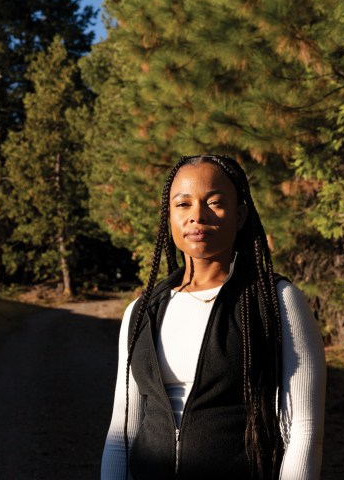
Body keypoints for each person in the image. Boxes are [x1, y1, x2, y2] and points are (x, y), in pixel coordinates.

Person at [100, 155, 326, 480]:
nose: (197, 216)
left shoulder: (275, 302)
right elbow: (122, 431)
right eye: (183, 204)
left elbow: (303, 430)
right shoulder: (142, 311)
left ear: (240, 215)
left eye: (215, 202)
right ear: (169, 217)